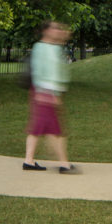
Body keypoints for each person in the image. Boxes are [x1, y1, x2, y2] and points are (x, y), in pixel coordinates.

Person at [23, 21, 80, 174]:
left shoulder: (54, 47)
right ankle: (64, 164)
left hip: (49, 91)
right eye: (54, 28)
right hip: (44, 91)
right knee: (54, 129)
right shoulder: (40, 48)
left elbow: (64, 38)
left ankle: (28, 160)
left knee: (38, 126)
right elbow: (39, 72)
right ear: (46, 31)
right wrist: (45, 93)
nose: (58, 31)